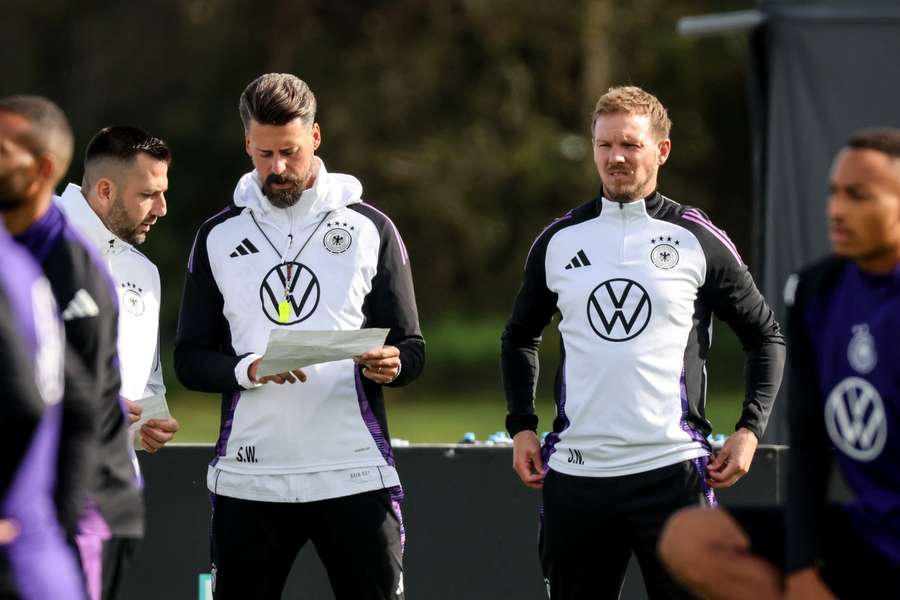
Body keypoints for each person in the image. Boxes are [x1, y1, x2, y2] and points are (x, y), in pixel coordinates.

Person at [500, 86, 785, 599]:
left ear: (661, 150)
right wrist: (521, 426)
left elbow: (765, 336)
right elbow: (519, 336)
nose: (615, 158)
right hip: (577, 475)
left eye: (630, 145)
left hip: (673, 473)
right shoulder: (559, 240)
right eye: (604, 145)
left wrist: (750, 429)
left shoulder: (697, 238)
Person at [174, 73, 425, 599]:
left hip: (355, 473)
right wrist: (249, 369)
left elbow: (412, 347)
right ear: (247, 143)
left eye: (289, 151)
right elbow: (190, 359)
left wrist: (393, 364)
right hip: (249, 479)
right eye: (263, 154)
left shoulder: (369, 227)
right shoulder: (217, 236)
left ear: (315, 137)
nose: (277, 169)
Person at [658, 127, 900, 600]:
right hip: (872, 532)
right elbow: (809, 446)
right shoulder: (816, 292)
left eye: (859, 196)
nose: (836, 210)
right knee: (692, 539)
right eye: (833, 194)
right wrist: (801, 566)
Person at [56, 125, 180, 598]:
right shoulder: (27, 242)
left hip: (113, 492)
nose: (162, 209)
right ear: (105, 190)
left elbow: (146, 387)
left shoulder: (142, 271)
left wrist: (150, 421)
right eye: (149, 195)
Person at [0, 102, 84, 598]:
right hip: (40, 559)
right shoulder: (20, 260)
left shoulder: (56, 262)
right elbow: (77, 401)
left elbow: (26, 400)